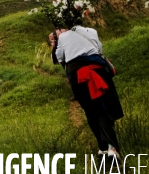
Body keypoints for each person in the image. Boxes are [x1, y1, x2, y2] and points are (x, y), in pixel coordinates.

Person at [50, 26, 123, 160]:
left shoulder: (63, 37)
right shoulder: (92, 31)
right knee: (103, 108)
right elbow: (99, 50)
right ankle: (111, 148)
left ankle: (103, 148)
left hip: (78, 76)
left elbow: (60, 58)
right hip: (98, 71)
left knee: (90, 110)